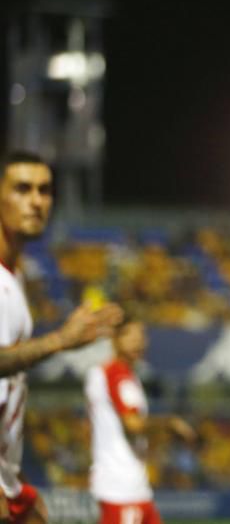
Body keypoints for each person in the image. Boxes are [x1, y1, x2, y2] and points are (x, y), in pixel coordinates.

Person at [0, 151, 123, 523]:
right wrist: (61, 341)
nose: (37, 201)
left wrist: (14, 479)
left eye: (44, 190)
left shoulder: (14, 277)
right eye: (23, 189)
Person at [85, 318, 194, 524]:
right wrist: (170, 423)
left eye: (142, 335)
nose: (139, 342)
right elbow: (133, 424)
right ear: (115, 340)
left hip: (133, 487)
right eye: (130, 336)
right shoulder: (116, 374)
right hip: (121, 488)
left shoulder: (117, 374)